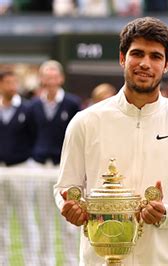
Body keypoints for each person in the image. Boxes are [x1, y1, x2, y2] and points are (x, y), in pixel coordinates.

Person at [53, 17, 168, 265]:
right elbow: (64, 188)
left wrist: (167, 214)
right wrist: (71, 208)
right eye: (137, 54)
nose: (145, 64)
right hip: (100, 259)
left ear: (167, 65)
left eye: (155, 57)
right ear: (122, 58)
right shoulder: (85, 122)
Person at [28, 59, 82, 266]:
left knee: (69, 222)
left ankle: (70, 262)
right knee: (43, 219)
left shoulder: (72, 103)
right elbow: (31, 134)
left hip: (65, 169)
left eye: (54, 76)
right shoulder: (32, 106)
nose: (50, 80)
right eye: (46, 76)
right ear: (42, 79)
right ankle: (45, 262)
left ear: (60, 78)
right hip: (39, 167)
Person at [0, 70, 39, 265]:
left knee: (26, 218)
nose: (11, 86)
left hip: (22, 169)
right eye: (7, 82)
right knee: (1, 221)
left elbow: (35, 136)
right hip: (1, 171)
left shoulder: (28, 109)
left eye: (14, 82)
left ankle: (31, 261)